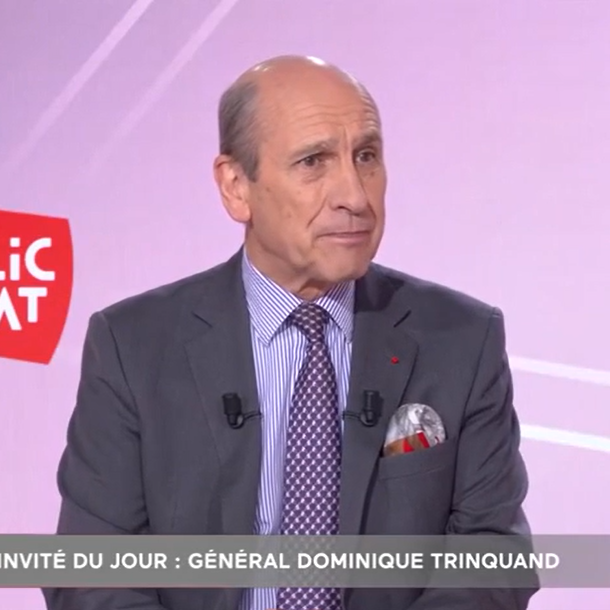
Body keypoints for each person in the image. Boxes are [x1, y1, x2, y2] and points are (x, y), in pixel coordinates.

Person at [43, 55, 538, 610]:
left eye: (367, 156)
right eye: (313, 162)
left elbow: (492, 555)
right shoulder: (132, 347)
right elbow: (91, 571)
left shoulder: (462, 340)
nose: (355, 196)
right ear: (236, 187)